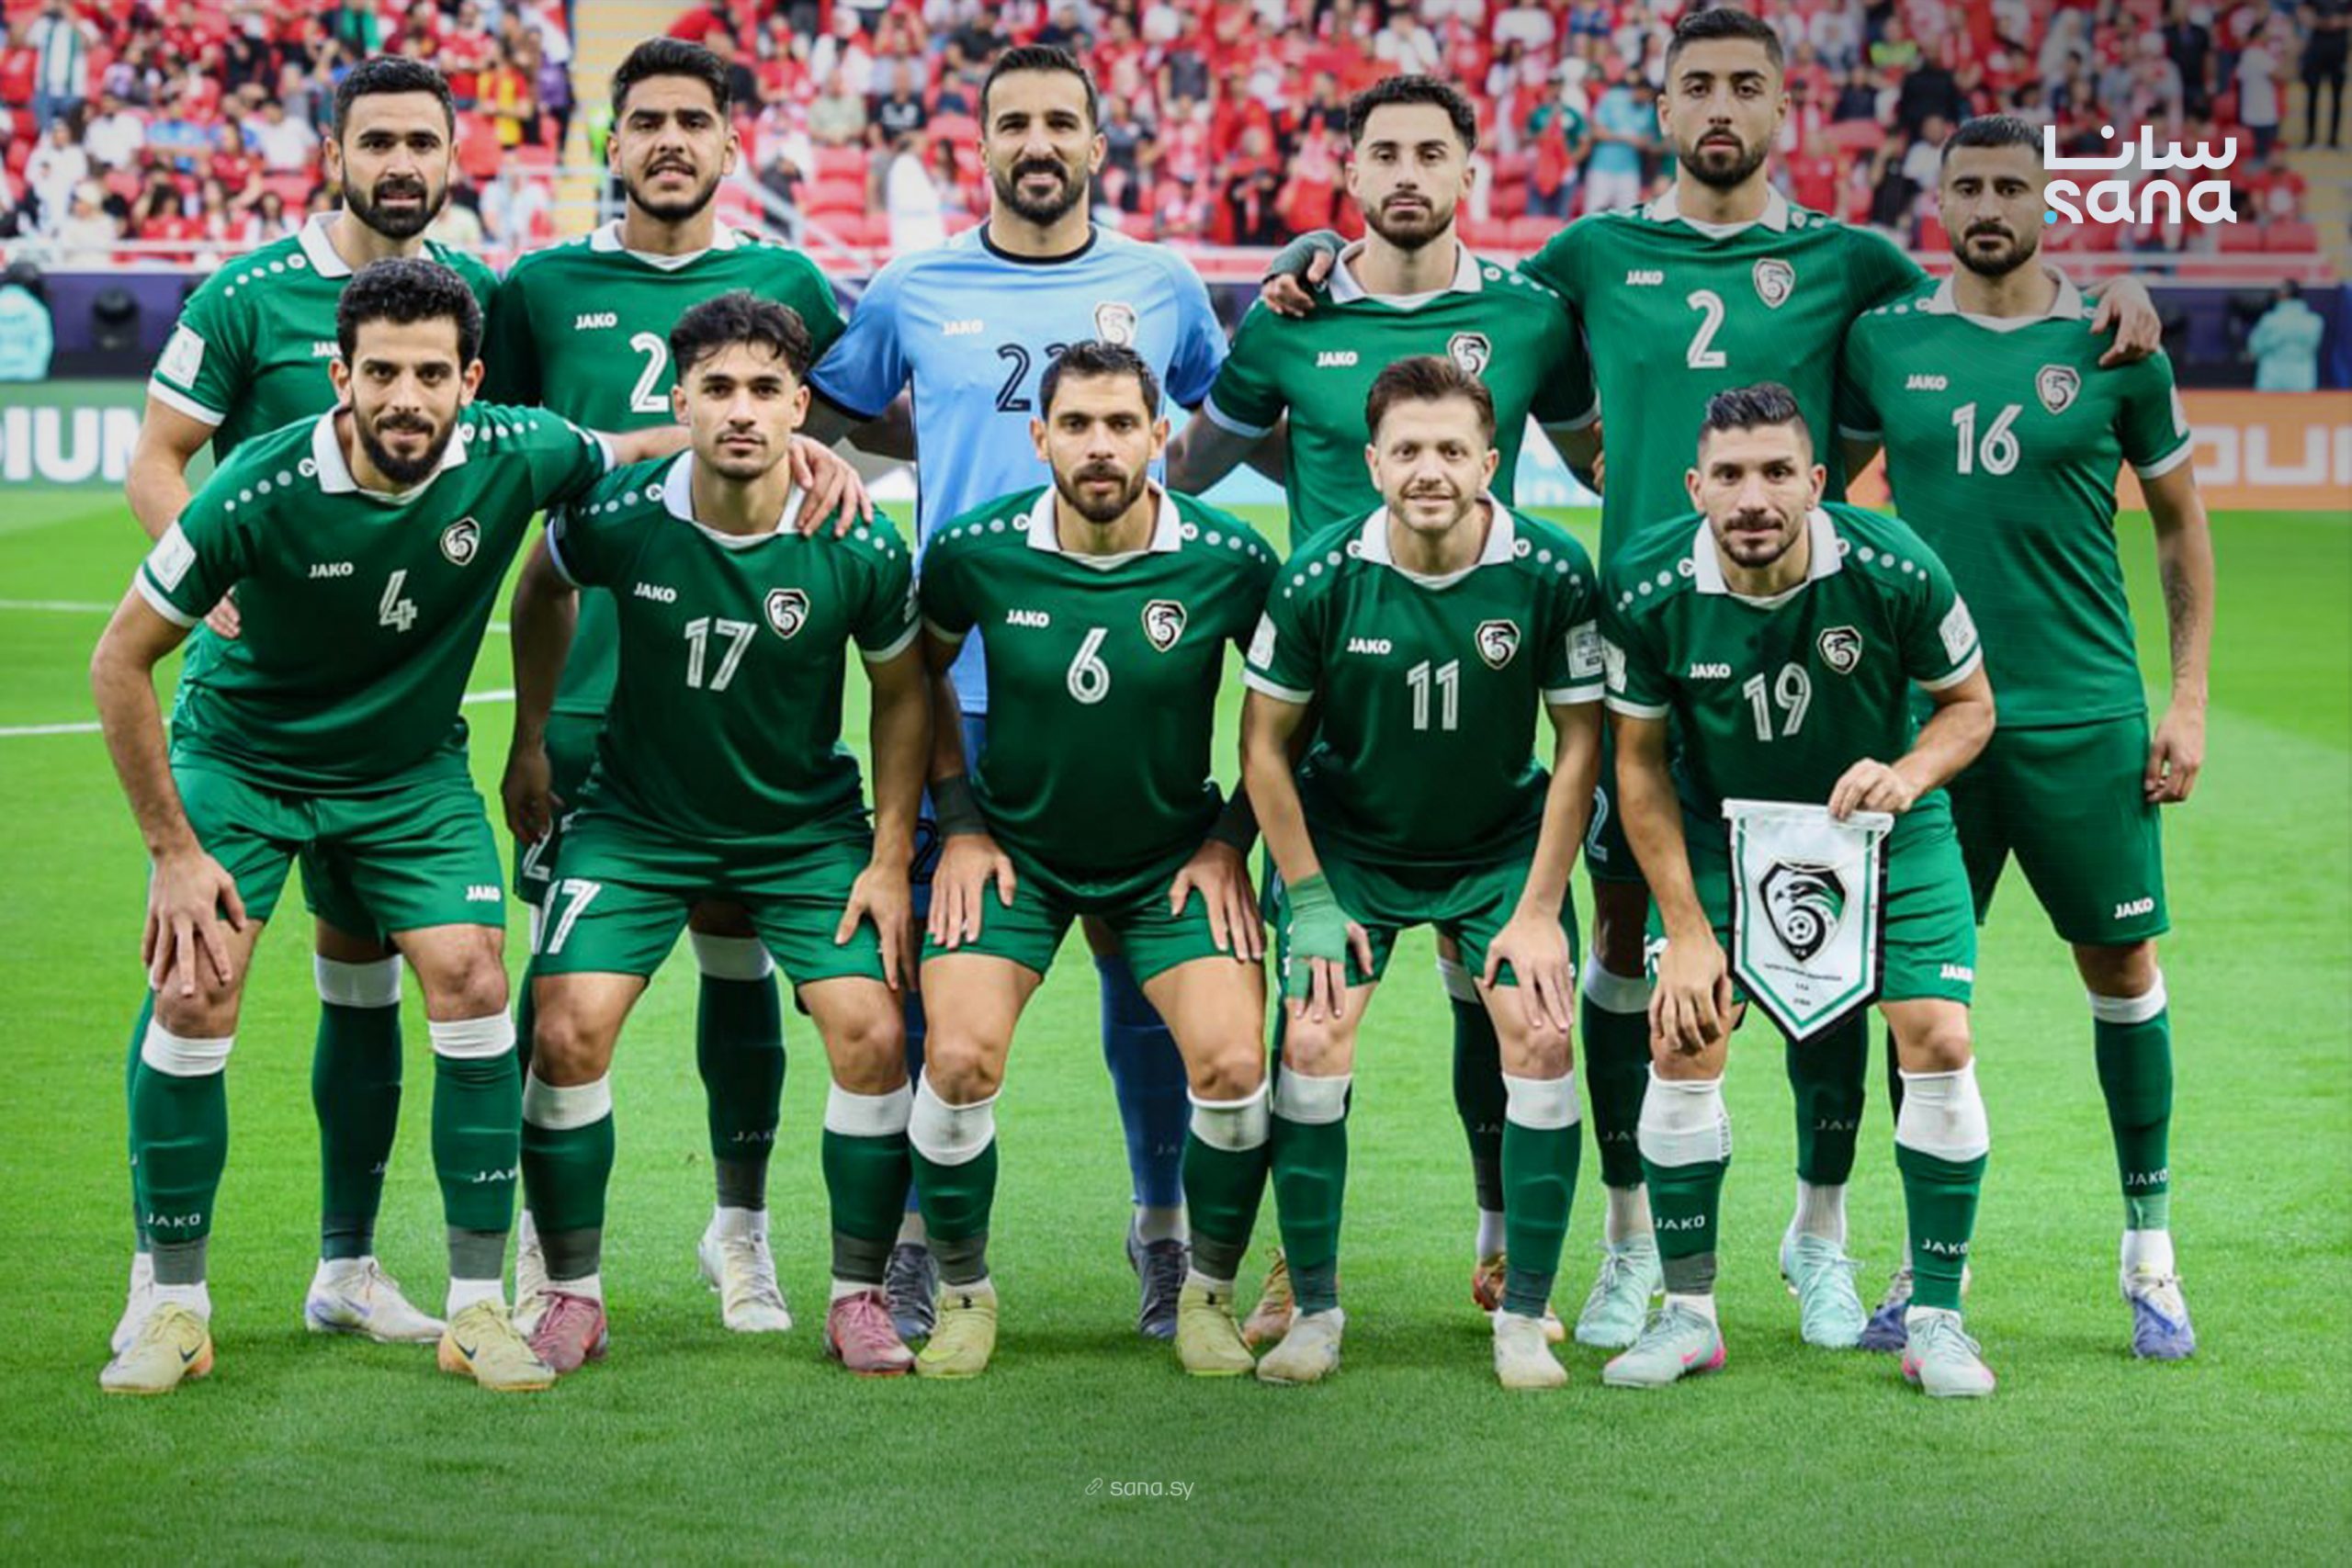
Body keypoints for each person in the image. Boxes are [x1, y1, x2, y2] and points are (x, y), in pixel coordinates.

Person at [1256, 5, 2162, 1357]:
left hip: (1810, 661)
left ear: (1784, 109)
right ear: (1664, 107)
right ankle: (1632, 1246)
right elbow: (1458, 292)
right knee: (1626, 949)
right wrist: (1315, 256)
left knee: (1831, 952)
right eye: (1698, 85)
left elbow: (1984, 289)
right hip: (1646, 644)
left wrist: (2106, 288)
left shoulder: (1852, 260)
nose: (1722, 104)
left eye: (1748, 83)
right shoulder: (1588, 253)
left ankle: (1820, 1239)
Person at [89, 256, 682, 1396]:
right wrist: (172, 852)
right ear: (340, 377)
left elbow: (632, 447)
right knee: (196, 987)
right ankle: (170, 1305)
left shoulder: (517, 449)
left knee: (471, 973)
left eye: (430, 375)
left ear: (470, 379)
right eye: (381, 374)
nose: (406, 399)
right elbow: (120, 660)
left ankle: (475, 1307)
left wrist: (778, 447)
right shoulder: (254, 489)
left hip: (404, 773)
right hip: (246, 759)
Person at [802, 45, 1228, 1344]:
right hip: (960, 689)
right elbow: (837, 412)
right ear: (979, 145)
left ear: (1097, 144)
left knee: (1143, 966)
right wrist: (913, 448)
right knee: (938, 967)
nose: (1037, 143)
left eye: (1060, 123)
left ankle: (1162, 1229)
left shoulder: (1162, 283)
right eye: (1013, 124)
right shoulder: (912, 286)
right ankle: (917, 1242)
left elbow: (1216, 414)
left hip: (1129, 690)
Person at [1168, 73, 1598, 1347]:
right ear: (1348, 175)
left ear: (1469, 170)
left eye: (1430, 153)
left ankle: (1505, 1241)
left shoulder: (1530, 317)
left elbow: (1603, 460)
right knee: (1311, 1023)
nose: (1407, 173)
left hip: (1479, 708)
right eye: (1383, 155)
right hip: (1332, 711)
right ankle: (1297, 1271)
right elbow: (1191, 467)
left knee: (1499, 1001)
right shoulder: (1287, 320)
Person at [115, 55, 503, 1363]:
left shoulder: (469, 297)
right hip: (255, 720)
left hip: (392, 729)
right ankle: (159, 1281)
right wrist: (203, 575)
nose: (400, 164)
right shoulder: (244, 296)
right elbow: (157, 459)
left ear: (452, 159)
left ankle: (348, 1266)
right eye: (375, 141)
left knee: (370, 983)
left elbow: (527, 453)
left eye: (422, 143)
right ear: (333, 153)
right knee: (198, 979)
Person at [482, 36, 859, 1336]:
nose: (668, 142)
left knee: (739, 962)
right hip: (585, 704)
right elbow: (500, 452)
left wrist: (837, 456)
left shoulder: (788, 279)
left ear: (731, 144)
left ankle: (738, 1234)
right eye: (644, 121)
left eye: (693, 121)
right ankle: (548, 1252)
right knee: (562, 992)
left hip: (738, 703)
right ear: (612, 143)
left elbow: (838, 427)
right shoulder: (539, 287)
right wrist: (530, 728)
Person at [1838, 115, 2215, 1359]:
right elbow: (1819, 493)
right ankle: (1918, 1261)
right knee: (1916, 996)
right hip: (1931, 723)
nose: (1990, 204)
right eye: (1970, 186)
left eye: (2012, 184)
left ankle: (2149, 1251)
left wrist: (2187, 697)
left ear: (2049, 202)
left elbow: (2178, 524)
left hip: (2082, 713)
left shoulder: (2115, 345)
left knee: (2121, 967)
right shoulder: (1884, 340)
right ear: (1939, 202)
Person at [503, 292, 929, 1378]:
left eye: (765, 390)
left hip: (799, 828)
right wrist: (532, 737)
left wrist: (887, 858)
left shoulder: (855, 540)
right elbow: (541, 588)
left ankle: (858, 1298)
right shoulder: (618, 512)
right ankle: (569, 1294)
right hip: (636, 821)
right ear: (681, 401)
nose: (742, 410)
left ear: (800, 407)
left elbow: (900, 695)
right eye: (719, 389)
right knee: (565, 1029)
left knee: (872, 1034)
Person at [1600, 382, 1999, 1398]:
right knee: (1683, 1037)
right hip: (1727, 837)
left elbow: (1969, 706)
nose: (1754, 497)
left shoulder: (1893, 566)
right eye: (1729, 475)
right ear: (1694, 487)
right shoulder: (1646, 584)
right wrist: (1685, 927)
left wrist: (1907, 775)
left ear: (1817, 482)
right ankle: (1688, 1316)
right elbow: (1637, 765)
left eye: (1778, 472)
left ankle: (1937, 1321)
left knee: (1937, 1036)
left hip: (1883, 832)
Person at [910, 341, 1279, 1379]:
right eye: (1076, 425)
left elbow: (1292, 706)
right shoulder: (974, 550)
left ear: (1160, 436)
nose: (1100, 445)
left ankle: (1204, 1293)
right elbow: (914, 676)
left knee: (1235, 1068)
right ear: (1040, 438)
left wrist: (1230, 839)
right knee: (957, 1060)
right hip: (1016, 853)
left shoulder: (1230, 558)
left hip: (1168, 859)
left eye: (1122, 424)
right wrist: (959, 820)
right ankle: (963, 1294)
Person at [1238, 355, 1604, 1388]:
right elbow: (1262, 745)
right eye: (1407, 450)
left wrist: (1540, 907)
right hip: (1350, 843)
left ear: (1492, 461)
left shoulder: (1550, 570)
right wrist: (1311, 899)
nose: (1429, 469)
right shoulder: (1319, 574)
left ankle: (1522, 1312)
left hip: (1497, 847)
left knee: (1541, 1033)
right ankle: (1313, 1309)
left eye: (1452, 449)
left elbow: (1581, 741)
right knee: (1312, 1035)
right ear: (1373, 463)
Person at [2249, 277, 2326, 390]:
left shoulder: (2269, 321)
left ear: (2281, 296)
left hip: (2271, 380)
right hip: (2302, 381)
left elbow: (2255, 348)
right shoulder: (2314, 322)